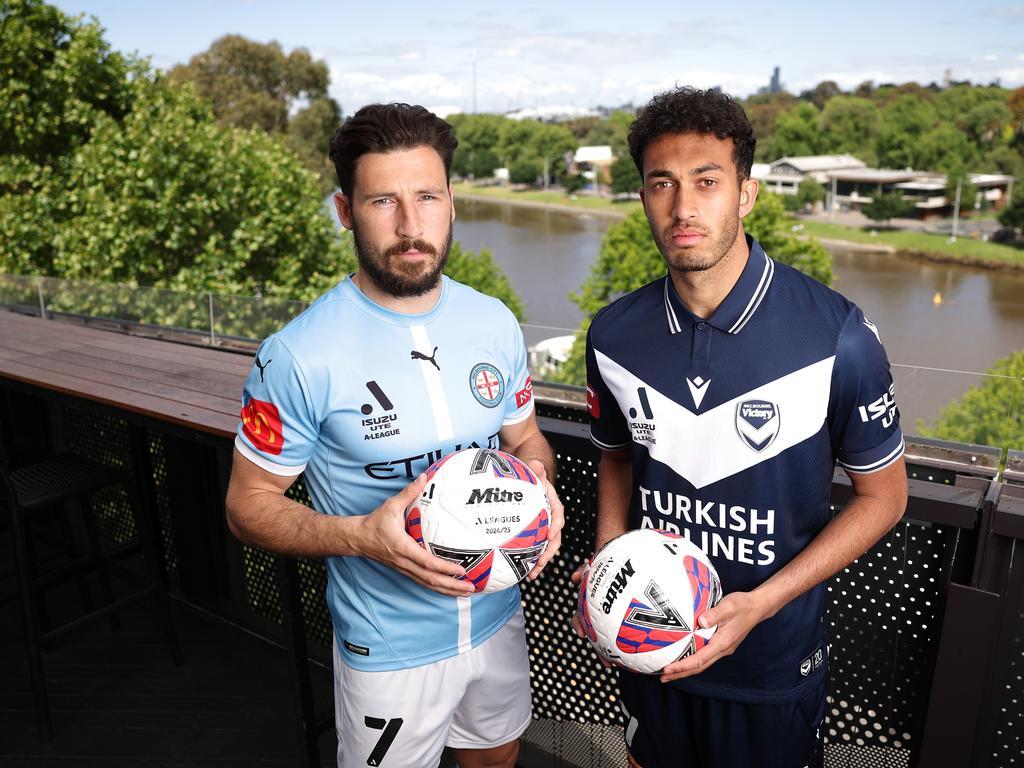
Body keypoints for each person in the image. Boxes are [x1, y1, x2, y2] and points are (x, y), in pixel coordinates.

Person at [225, 102, 564, 768]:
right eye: (383, 201)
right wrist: (361, 538)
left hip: (498, 616)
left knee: (496, 759)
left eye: (428, 197)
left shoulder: (494, 321)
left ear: (452, 202)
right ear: (346, 209)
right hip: (390, 647)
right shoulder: (298, 354)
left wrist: (541, 491)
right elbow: (245, 507)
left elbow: (525, 441)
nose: (412, 227)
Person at [579, 87, 908, 768]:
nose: (683, 207)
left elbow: (886, 497)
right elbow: (614, 458)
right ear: (641, 198)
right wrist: (610, 561)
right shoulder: (613, 334)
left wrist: (759, 604)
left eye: (707, 181)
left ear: (747, 195)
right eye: (661, 184)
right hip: (649, 646)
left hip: (770, 666)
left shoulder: (836, 336)